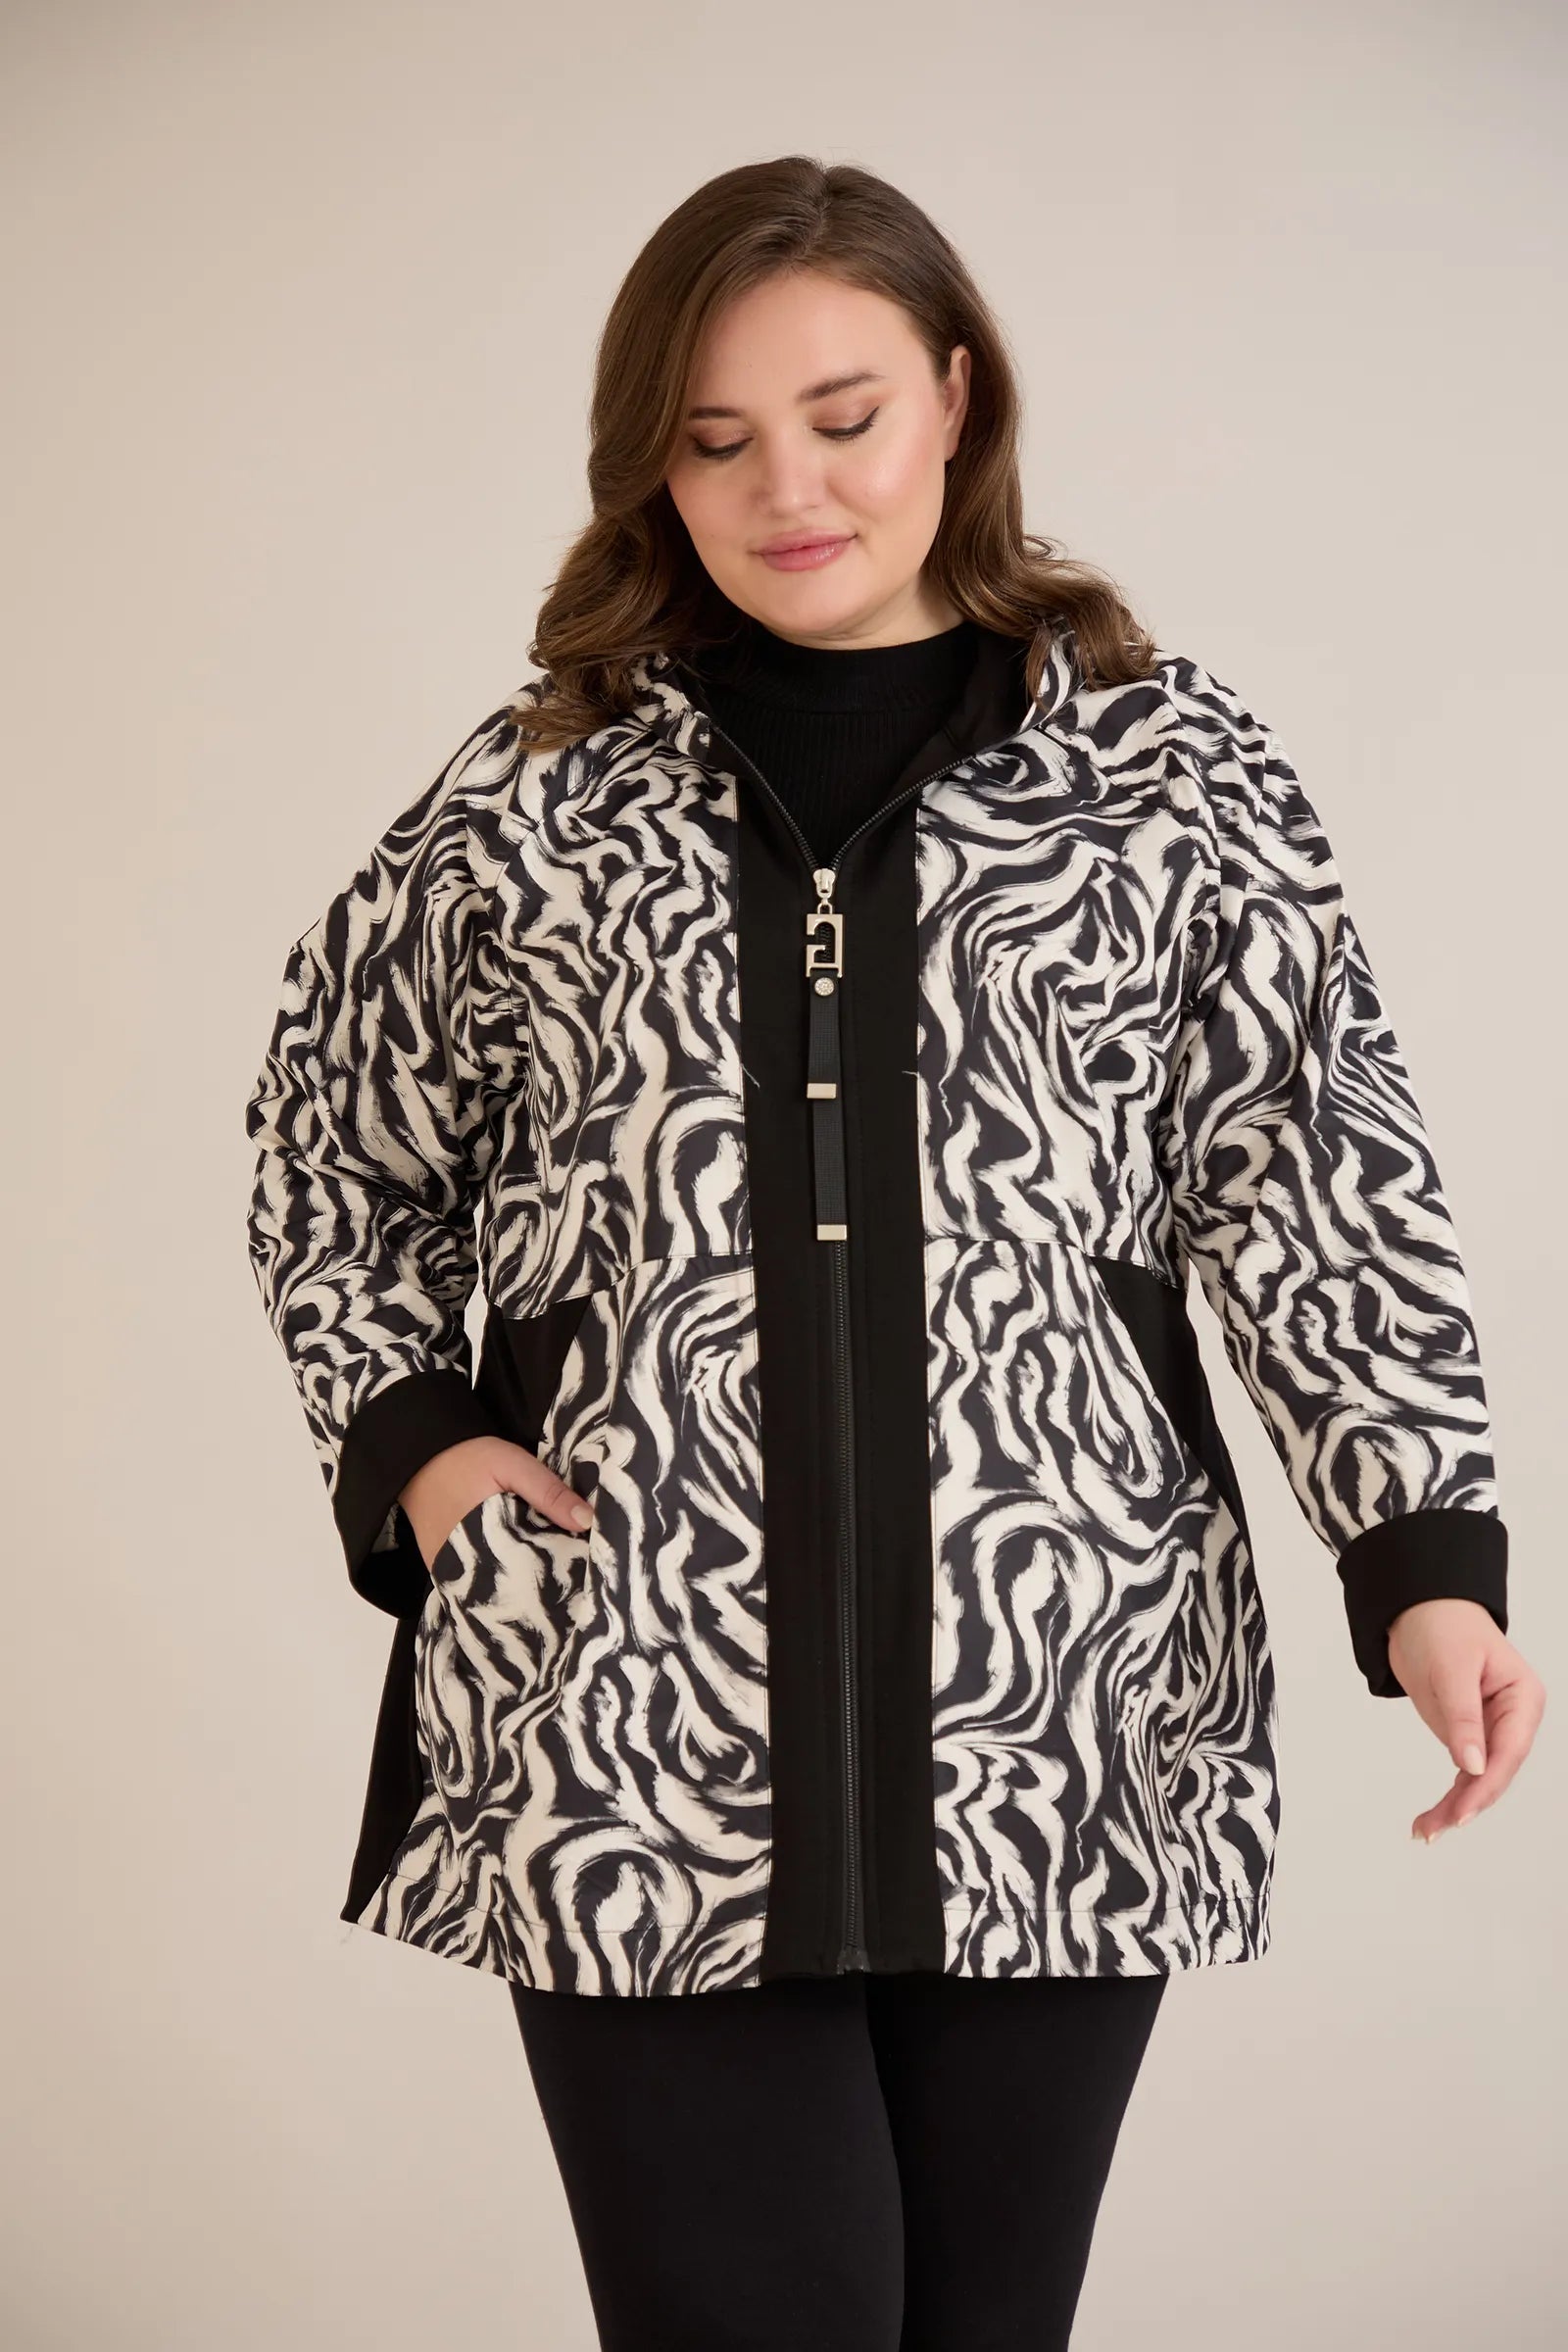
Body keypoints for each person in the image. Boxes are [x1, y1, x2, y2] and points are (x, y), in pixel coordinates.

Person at [243, 156, 1545, 2350]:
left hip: (1064, 1715)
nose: (788, 490)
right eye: (715, 439)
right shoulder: (541, 794)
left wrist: (1422, 1563)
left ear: (956, 395)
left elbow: (1317, 1171)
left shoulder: (1165, 775)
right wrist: (424, 1437)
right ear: (652, 465)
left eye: (842, 417)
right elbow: (328, 1143)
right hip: (626, 1714)